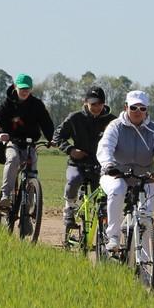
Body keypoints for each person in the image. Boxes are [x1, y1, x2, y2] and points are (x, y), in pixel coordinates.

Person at [95, 90, 154, 254]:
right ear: (126, 107)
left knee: (145, 217)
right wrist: (109, 165)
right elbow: (105, 147)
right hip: (116, 174)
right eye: (134, 108)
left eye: (142, 108)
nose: (138, 112)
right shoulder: (115, 126)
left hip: (145, 177)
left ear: (147, 110)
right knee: (117, 190)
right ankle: (114, 236)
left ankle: (144, 258)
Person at [0, 73, 54, 224]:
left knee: (32, 175)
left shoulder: (37, 105)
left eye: (27, 89)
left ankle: (27, 216)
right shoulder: (7, 104)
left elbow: (46, 123)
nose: (24, 91)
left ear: (31, 89)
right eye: (22, 88)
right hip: (12, 141)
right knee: (12, 159)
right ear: (15, 87)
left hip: (30, 143)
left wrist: (52, 139)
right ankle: (5, 196)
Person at [54, 86, 116, 242]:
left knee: (104, 199)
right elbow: (58, 136)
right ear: (86, 102)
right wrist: (70, 149)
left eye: (100, 104)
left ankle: (105, 235)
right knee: (74, 180)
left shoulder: (112, 121)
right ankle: (69, 207)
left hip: (102, 166)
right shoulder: (75, 118)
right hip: (78, 163)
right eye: (93, 103)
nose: (96, 107)